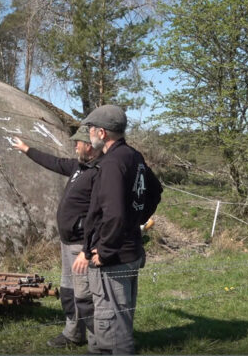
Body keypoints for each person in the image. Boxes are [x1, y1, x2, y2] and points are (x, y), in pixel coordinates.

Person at [72, 104, 162, 355]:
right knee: (120, 318)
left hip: (115, 256)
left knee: (112, 326)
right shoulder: (133, 156)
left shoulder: (111, 162)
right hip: (130, 248)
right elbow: (155, 191)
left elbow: (113, 213)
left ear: (102, 133)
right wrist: (138, 218)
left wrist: (105, 249)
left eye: (90, 129)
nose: (88, 133)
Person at [11, 128, 102, 349]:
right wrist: (26, 150)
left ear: (88, 146)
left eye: (77, 144)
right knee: (69, 291)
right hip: (67, 242)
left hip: (82, 245)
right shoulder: (78, 167)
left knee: (85, 295)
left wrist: (88, 248)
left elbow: (101, 212)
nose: (74, 147)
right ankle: (73, 334)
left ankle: (98, 343)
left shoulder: (99, 172)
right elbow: (53, 162)